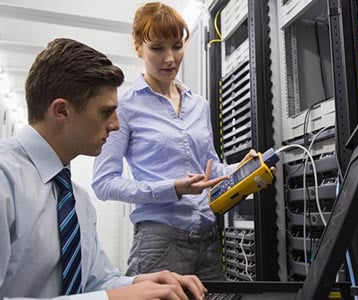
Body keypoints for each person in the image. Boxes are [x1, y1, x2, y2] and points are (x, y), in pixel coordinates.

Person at [0, 38, 206, 300]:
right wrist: (111, 299)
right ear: (61, 110)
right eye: (106, 112)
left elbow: (96, 280)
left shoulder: (77, 200)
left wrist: (141, 282)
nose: (116, 125)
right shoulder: (5, 180)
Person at [92, 2, 256, 281]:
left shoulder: (199, 105)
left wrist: (243, 169)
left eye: (177, 46)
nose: (170, 58)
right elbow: (104, 183)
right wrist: (172, 189)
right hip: (159, 242)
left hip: (208, 238)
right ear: (138, 47)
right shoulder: (125, 105)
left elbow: (210, 170)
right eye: (157, 48)